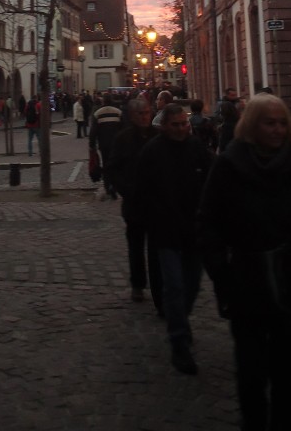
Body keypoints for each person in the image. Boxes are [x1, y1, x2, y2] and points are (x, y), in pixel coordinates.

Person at [198, 92, 291, 431]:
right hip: (247, 283)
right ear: (251, 126)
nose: (277, 130)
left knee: (288, 371)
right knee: (251, 370)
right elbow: (209, 224)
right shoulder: (229, 165)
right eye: (269, 123)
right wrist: (223, 275)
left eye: (281, 123)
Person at [136, 103, 212, 375]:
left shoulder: (196, 148)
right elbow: (141, 190)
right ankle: (179, 341)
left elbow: (212, 178)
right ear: (164, 126)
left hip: (193, 231)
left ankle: (181, 319)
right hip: (165, 231)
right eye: (176, 125)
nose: (181, 129)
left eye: (184, 124)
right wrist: (151, 219)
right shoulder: (152, 152)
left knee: (192, 285)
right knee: (175, 286)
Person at [107, 97, 162, 307]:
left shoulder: (159, 136)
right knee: (136, 247)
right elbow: (113, 168)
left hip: (157, 202)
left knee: (156, 249)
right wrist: (126, 190)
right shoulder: (123, 139)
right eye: (140, 114)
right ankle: (138, 284)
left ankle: (158, 288)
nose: (145, 117)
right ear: (132, 116)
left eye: (147, 113)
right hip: (134, 203)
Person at [89, 92, 123, 199]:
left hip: (104, 144)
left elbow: (93, 131)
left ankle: (107, 186)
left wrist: (92, 144)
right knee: (116, 164)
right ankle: (115, 185)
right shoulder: (118, 112)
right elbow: (123, 128)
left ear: (103, 101)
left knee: (106, 164)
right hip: (116, 144)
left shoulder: (98, 113)